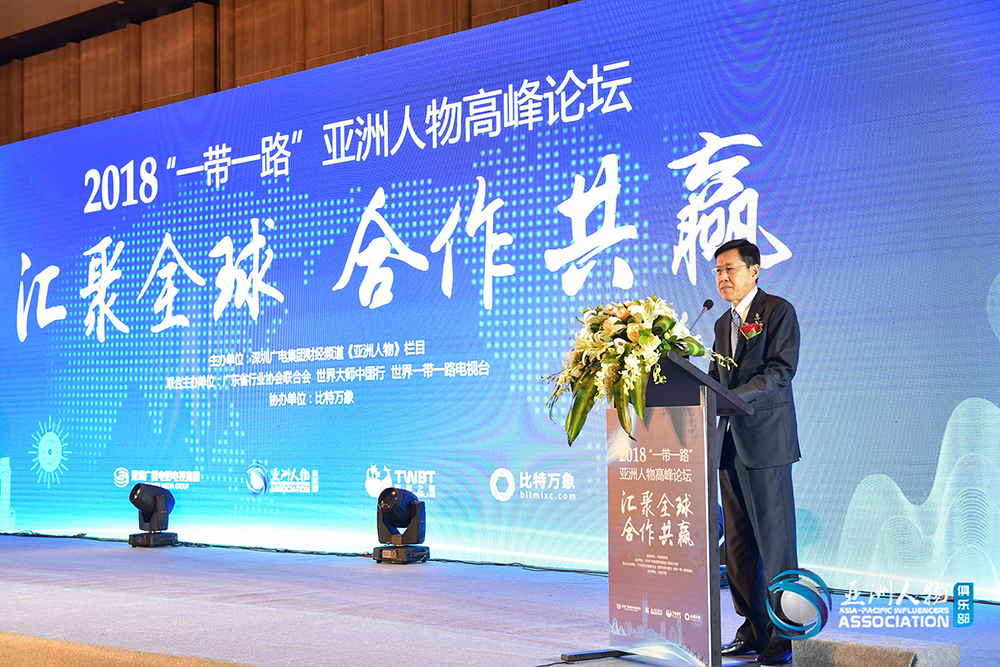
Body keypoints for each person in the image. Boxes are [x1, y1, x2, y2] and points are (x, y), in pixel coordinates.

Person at [708, 239, 800, 666]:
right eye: (718, 271)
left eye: (730, 269)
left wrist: (733, 398)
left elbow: (780, 371)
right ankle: (754, 628)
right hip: (729, 444)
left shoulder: (777, 311)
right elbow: (714, 377)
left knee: (776, 545)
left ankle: (786, 634)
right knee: (738, 547)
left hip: (766, 443)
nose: (723, 277)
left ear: (754, 270)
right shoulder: (721, 323)